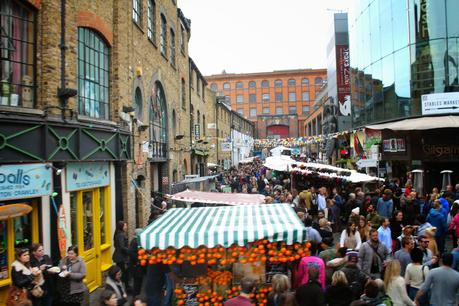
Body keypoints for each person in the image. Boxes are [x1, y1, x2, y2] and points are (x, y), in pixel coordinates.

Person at [128, 229, 146, 296]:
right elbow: (131, 253)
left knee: (138, 282)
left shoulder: (137, 241)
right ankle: (135, 298)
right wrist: (139, 258)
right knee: (137, 283)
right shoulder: (135, 241)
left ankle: (136, 296)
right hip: (136, 267)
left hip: (137, 266)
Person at [113, 221, 130, 289]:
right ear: (121, 227)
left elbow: (115, 245)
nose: (126, 227)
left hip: (118, 256)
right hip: (121, 257)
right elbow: (122, 246)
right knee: (124, 273)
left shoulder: (117, 234)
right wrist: (129, 250)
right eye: (125, 226)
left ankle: (122, 287)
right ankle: (125, 287)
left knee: (122, 272)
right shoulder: (121, 235)